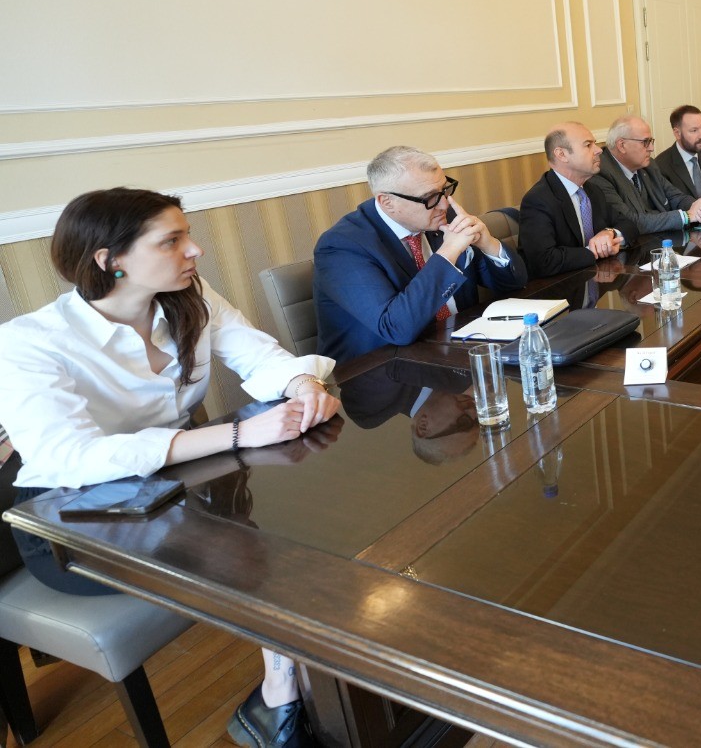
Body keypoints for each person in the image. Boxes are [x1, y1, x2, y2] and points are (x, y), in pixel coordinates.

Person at [0, 188, 342, 748]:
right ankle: (282, 692)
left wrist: (302, 384)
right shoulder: (29, 341)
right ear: (109, 260)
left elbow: (260, 356)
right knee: (275, 553)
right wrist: (236, 433)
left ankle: (317, 687)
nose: (195, 251)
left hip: (173, 491)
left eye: (189, 235)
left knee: (316, 522)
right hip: (74, 523)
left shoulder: (189, 297)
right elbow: (67, 456)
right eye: (172, 241)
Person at [314, 146, 527, 362]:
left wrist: (488, 244)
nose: (444, 204)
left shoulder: (440, 215)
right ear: (387, 202)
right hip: (383, 367)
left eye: (444, 190)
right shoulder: (343, 247)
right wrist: (448, 253)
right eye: (429, 197)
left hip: (459, 346)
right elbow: (396, 328)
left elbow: (514, 283)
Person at [590, 115, 701, 240]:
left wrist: (700, 206)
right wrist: (687, 216)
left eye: (651, 141)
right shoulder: (601, 173)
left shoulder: (648, 165)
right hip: (633, 249)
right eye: (645, 142)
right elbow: (630, 221)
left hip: (662, 241)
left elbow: (675, 197)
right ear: (622, 145)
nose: (651, 148)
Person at [518, 122, 627, 277]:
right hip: (559, 287)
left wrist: (609, 233)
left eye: (595, 143)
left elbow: (627, 223)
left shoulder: (592, 190)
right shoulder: (537, 200)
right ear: (561, 154)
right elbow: (545, 261)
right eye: (588, 145)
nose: (598, 150)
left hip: (594, 278)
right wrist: (595, 251)